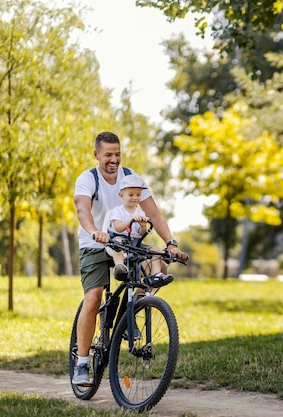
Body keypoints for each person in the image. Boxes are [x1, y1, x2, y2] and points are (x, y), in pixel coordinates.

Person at [72, 131, 189, 386]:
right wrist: (95, 232)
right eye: (108, 155)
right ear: (96, 155)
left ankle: (132, 308)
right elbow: (82, 209)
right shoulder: (87, 179)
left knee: (153, 266)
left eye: (117, 154)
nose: (114, 159)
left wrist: (170, 243)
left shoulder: (131, 180)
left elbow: (155, 215)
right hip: (95, 243)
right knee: (92, 298)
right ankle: (82, 364)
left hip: (127, 244)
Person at [105, 174, 172, 286]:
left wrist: (142, 226)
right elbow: (118, 228)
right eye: (131, 194)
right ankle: (120, 268)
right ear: (121, 195)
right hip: (120, 240)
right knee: (118, 243)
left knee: (156, 250)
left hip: (135, 243)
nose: (135, 197)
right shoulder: (118, 211)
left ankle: (155, 275)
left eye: (138, 194)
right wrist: (131, 219)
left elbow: (141, 233)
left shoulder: (140, 213)